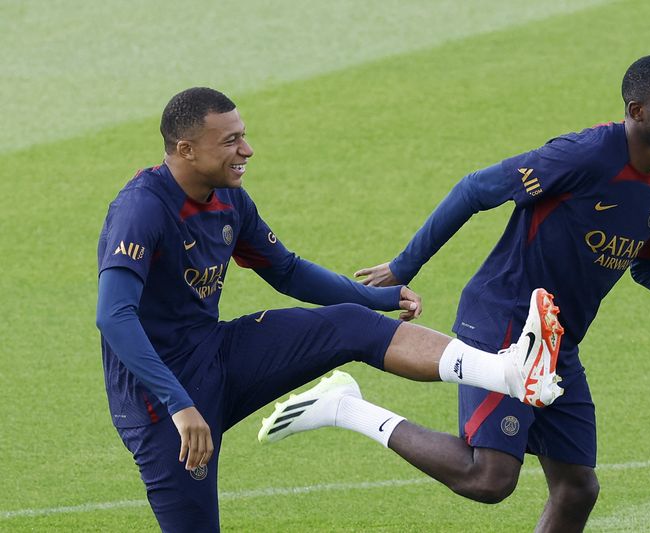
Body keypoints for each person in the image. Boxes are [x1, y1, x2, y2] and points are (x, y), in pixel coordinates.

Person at [259, 56, 650, 532]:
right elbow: (474, 189)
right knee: (490, 478)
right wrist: (404, 265)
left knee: (576, 488)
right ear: (636, 111)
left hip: (556, 341)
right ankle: (344, 407)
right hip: (503, 319)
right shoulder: (583, 155)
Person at [96, 87, 564, 533]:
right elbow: (114, 316)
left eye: (243, 135)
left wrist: (379, 297)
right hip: (157, 400)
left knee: (351, 325)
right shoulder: (142, 210)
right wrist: (180, 406)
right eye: (231, 140)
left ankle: (506, 372)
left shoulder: (229, 199)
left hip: (217, 354)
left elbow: (286, 271)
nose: (248, 150)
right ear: (187, 150)